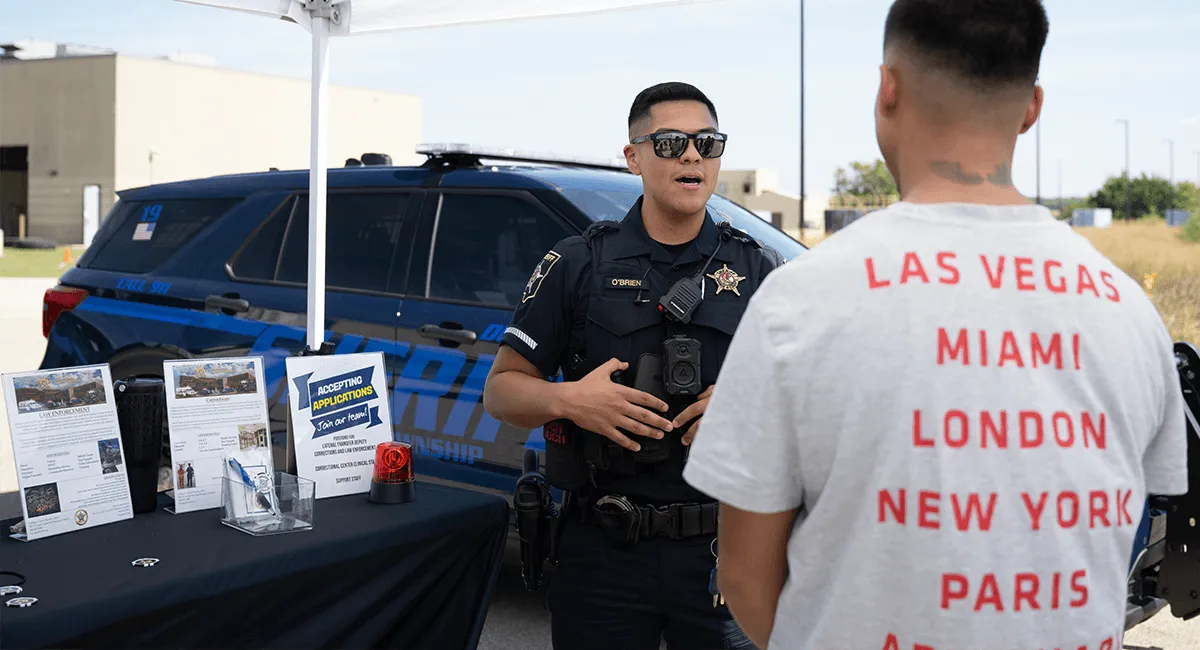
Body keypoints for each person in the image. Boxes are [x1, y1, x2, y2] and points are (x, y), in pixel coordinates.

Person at [681, 1, 1190, 649]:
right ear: (1032, 107)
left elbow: (747, 578)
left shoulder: (798, 302)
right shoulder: (1130, 313)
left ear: (887, 90)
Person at [483, 81, 785, 650]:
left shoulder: (759, 269)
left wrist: (752, 406)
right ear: (634, 157)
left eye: (708, 143)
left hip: (725, 549)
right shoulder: (578, 264)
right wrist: (568, 400)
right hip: (604, 551)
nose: (693, 155)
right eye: (671, 143)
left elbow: (811, 403)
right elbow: (501, 391)